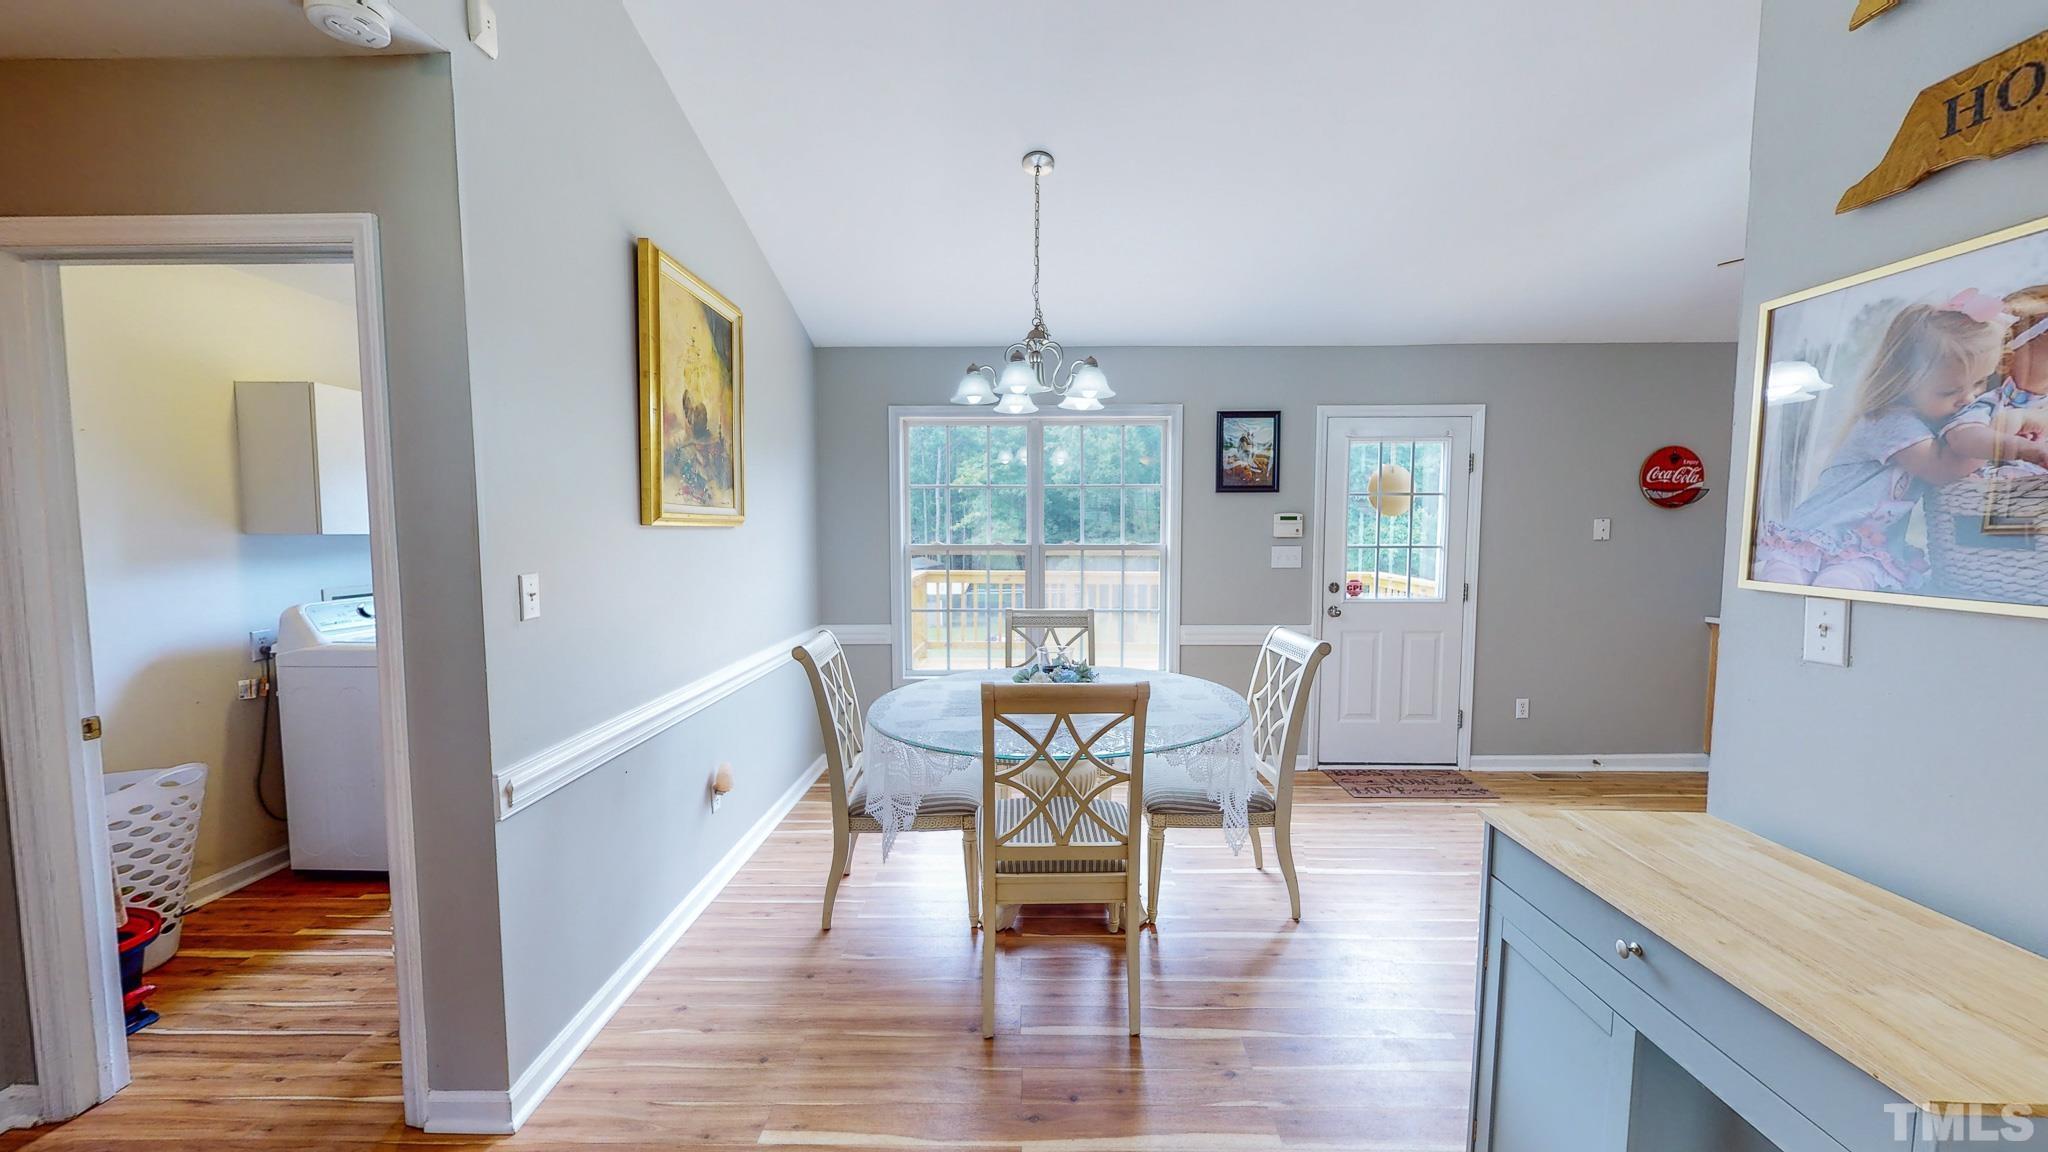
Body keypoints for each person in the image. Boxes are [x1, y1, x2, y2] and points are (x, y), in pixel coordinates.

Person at [1753, 298, 2010, 591]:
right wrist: (1997, 443)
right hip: (1813, 535)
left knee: (1844, 584)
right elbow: (1941, 469)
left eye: (1981, 383)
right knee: (1785, 585)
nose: (1969, 398)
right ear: (1904, 383)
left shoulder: (1931, 423)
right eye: (1950, 390)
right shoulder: (1889, 422)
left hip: (1865, 549)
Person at [1939, 284, 2048, 471]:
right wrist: (2025, 448)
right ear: (2006, 358)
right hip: (2011, 492)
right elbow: (1961, 437)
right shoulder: (1991, 402)